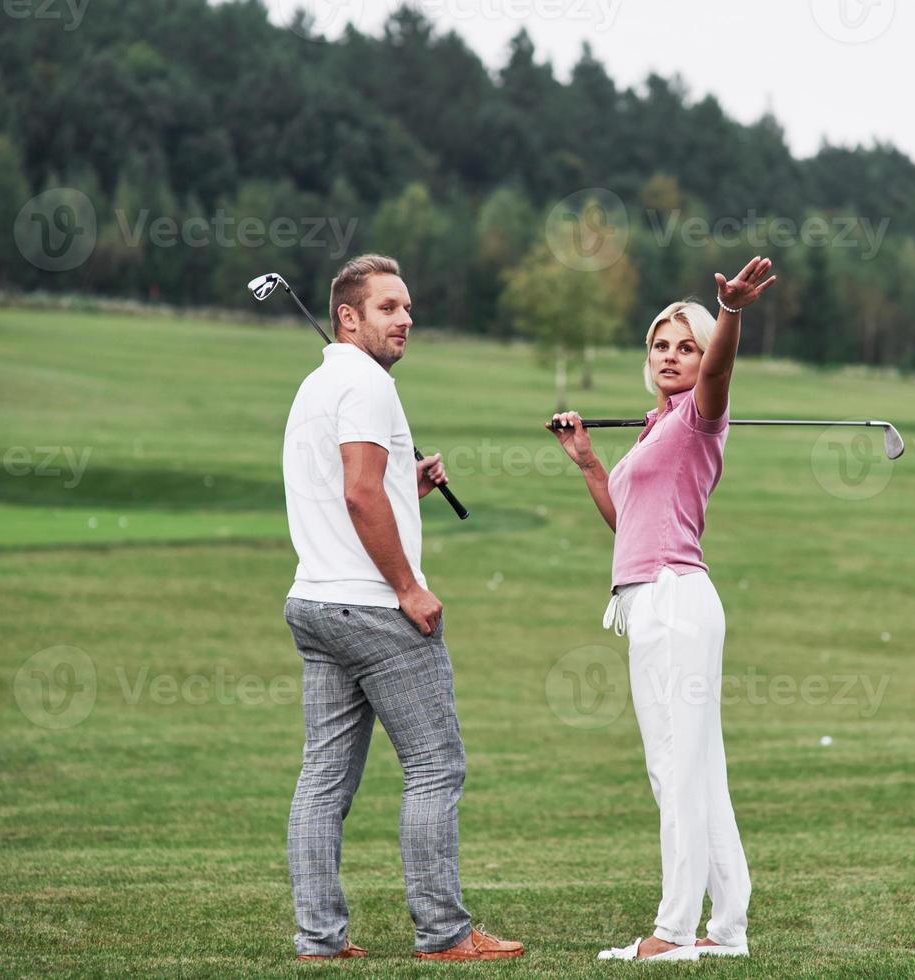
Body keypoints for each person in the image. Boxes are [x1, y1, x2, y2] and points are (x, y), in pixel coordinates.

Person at [280, 253, 523, 962]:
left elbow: (351, 492)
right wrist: (409, 588)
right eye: (389, 307)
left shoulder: (317, 384)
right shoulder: (367, 386)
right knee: (435, 766)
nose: (406, 318)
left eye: (408, 307)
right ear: (348, 318)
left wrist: (403, 489)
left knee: (323, 777)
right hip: (375, 612)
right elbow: (357, 494)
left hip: (315, 603)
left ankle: (318, 941)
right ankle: (444, 934)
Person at [547, 256, 778, 962]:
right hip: (654, 600)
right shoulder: (658, 425)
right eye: (661, 345)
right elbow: (631, 526)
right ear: (647, 357)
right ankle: (727, 929)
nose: (673, 356)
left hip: (676, 602)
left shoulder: (700, 418)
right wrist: (588, 463)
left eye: (687, 345)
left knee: (676, 768)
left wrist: (730, 314)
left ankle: (675, 932)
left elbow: (718, 377)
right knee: (694, 769)